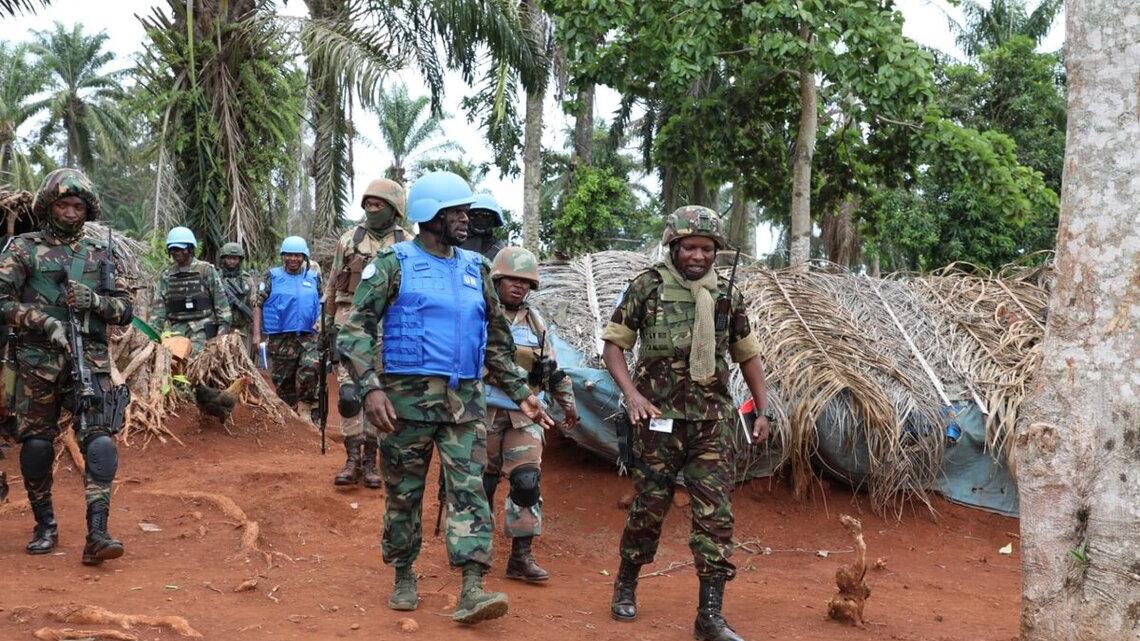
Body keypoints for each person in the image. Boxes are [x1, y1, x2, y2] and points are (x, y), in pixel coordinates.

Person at [336, 171, 553, 625]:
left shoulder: (476, 269)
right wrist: (370, 388)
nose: (466, 220)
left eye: (465, 212)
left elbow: (497, 343)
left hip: (465, 403)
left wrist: (521, 393)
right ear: (430, 214)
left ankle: (472, 587)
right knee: (404, 494)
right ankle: (403, 574)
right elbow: (355, 330)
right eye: (457, 212)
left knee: (470, 491)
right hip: (404, 404)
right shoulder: (393, 263)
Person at [600, 206, 770, 641]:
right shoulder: (648, 287)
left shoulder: (726, 294)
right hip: (658, 420)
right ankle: (626, 581)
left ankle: (709, 616)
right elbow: (614, 347)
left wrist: (762, 409)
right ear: (674, 247)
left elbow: (747, 355)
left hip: (712, 421)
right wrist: (633, 395)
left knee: (716, 516)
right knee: (649, 507)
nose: (699, 256)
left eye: (707, 249)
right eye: (690, 247)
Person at [0, 168, 133, 565]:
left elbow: (125, 310)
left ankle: (98, 533)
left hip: (88, 360)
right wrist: (42, 320)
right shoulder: (23, 249)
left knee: (100, 440)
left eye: (78, 206)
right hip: (36, 363)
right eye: (63, 205)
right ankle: (45, 525)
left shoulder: (100, 254)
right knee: (37, 445)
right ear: (48, 206)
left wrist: (96, 301)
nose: (71, 213)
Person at [483, 246, 578, 582]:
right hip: (482, 410)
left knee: (526, 482)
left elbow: (551, 368)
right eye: (512, 279)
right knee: (481, 483)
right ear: (497, 280)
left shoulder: (536, 323)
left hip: (526, 416)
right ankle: (475, 552)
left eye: (525, 282)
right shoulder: (479, 313)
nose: (519, 286)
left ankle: (520, 557)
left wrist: (568, 403)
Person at [325, 178, 407, 489]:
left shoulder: (407, 244)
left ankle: (371, 460)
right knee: (349, 396)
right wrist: (327, 326)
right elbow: (332, 284)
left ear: (394, 209)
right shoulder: (349, 240)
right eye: (368, 204)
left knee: (378, 394)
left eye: (379, 204)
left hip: (390, 332)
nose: (372, 209)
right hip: (350, 327)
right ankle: (351, 459)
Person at [252, 236, 322, 422]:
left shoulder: (314, 277)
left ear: (304, 257)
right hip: (280, 338)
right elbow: (257, 304)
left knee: (310, 368)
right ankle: (290, 417)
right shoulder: (272, 276)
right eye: (289, 255)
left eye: (297, 255)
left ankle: (307, 410)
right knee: (283, 382)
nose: (293, 259)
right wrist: (257, 335)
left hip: (308, 336)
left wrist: (321, 321)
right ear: (283, 256)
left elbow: (324, 302)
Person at [151, 227, 231, 354]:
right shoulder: (167, 275)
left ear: (190, 248)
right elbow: (158, 313)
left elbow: (222, 307)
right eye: (172, 249)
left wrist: (219, 339)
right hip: (176, 333)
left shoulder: (205, 270)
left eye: (180, 249)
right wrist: (152, 339)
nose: (176, 253)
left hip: (203, 330)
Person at [216, 242, 255, 353]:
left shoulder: (247, 279)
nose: (232, 262)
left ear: (240, 260)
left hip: (241, 328)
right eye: (229, 258)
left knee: (241, 358)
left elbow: (253, 302)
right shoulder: (216, 277)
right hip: (219, 328)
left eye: (235, 259)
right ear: (223, 259)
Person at [458, 192, 505, 260]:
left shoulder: (499, 249)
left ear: (494, 220)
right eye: (474, 215)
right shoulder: (454, 241)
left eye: (486, 216)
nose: (480, 219)